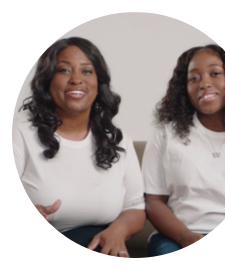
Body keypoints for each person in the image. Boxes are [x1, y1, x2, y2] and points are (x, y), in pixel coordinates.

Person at [12, 37, 145, 258]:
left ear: (98, 82)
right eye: (64, 70)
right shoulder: (20, 131)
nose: (76, 80)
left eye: (86, 71)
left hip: (97, 241)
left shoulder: (117, 139)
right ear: (47, 80)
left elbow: (135, 208)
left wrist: (117, 231)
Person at [142, 44, 225, 257]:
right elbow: (153, 201)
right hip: (177, 237)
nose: (204, 84)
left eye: (215, 73)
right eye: (193, 78)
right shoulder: (166, 133)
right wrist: (186, 237)